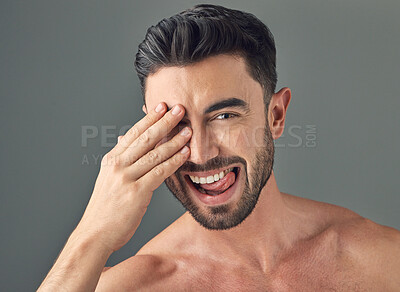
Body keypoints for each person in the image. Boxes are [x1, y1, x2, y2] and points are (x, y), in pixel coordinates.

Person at [38, 4, 400, 291]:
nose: (200, 154)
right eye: (175, 125)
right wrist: (91, 236)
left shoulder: (382, 261)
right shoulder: (133, 285)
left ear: (275, 115)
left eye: (224, 116)